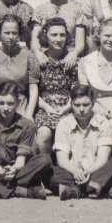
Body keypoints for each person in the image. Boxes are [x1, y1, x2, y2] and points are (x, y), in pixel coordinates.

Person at [50, 85, 112, 200]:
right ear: (71, 104)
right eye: (77, 105)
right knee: (50, 171)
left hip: (96, 170)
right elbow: (62, 160)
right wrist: (75, 170)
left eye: (86, 105)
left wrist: (89, 171)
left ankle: (76, 189)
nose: (81, 109)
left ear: (93, 103)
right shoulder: (64, 124)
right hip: (72, 172)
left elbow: (103, 159)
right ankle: (99, 187)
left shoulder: (103, 123)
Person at [34, 18, 79, 155]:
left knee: (72, 129)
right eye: (54, 35)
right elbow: (32, 91)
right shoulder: (38, 59)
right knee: (44, 132)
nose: (58, 39)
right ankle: (44, 166)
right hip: (44, 107)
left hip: (69, 107)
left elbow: (78, 92)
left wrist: (66, 108)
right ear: (45, 36)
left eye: (62, 35)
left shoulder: (73, 60)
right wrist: (47, 108)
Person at [0, 14, 40, 118]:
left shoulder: (29, 57)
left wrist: (29, 114)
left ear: (19, 34)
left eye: (14, 33)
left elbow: (33, 87)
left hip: (20, 107)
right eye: (7, 33)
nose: (11, 37)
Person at [30, 0, 89, 67]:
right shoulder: (39, 10)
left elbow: (80, 41)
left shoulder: (77, 9)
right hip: (45, 59)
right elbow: (35, 38)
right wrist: (38, 52)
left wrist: (74, 54)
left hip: (69, 59)